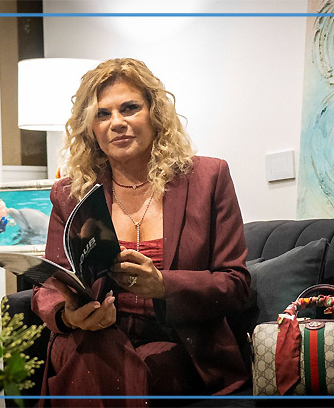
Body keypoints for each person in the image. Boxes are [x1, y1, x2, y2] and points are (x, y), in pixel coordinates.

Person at [31, 58, 250, 407]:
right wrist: (70, 315)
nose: (117, 122)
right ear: (90, 128)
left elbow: (235, 284)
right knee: (93, 345)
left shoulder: (208, 178)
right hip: (92, 332)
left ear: (154, 113)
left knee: (125, 361)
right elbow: (48, 285)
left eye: (130, 108)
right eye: (103, 114)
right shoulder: (70, 193)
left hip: (180, 341)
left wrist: (163, 285)